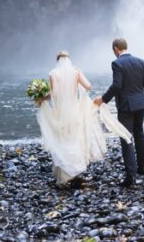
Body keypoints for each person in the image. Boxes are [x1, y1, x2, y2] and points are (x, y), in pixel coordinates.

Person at [36, 50, 130, 185]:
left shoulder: (53, 74)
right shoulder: (75, 72)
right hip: (74, 110)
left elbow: (53, 93)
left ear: (58, 60)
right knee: (74, 139)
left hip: (60, 111)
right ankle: (76, 172)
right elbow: (88, 86)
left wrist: (41, 98)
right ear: (69, 60)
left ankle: (63, 174)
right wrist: (80, 92)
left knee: (62, 140)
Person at [94, 38, 144, 187]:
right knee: (139, 133)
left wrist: (103, 99)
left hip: (126, 106)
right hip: (141, 104)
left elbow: (117, 85)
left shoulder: (117, 63)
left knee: (126, 138)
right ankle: (142, 167)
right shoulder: (140, 61)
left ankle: (130, 176)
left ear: (115, 48)